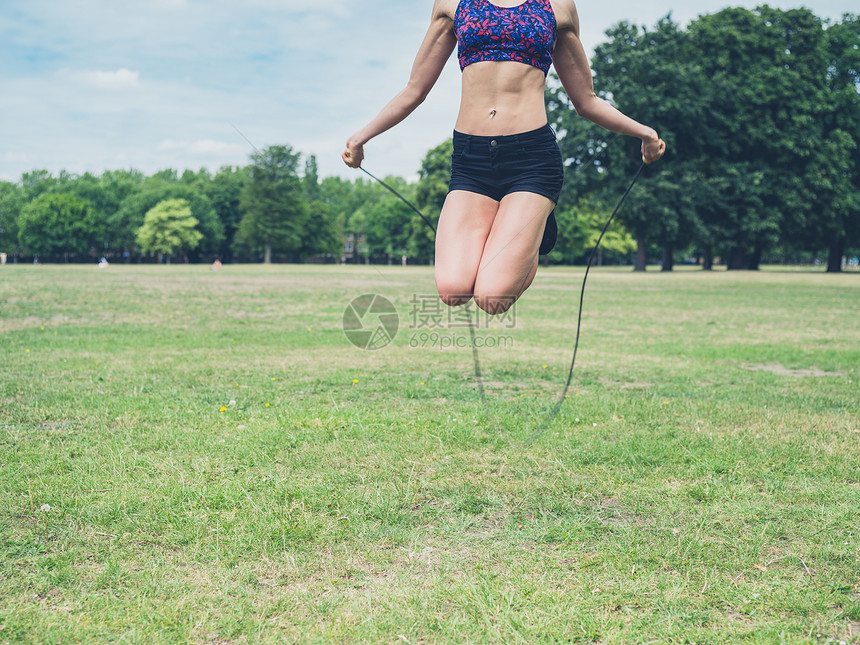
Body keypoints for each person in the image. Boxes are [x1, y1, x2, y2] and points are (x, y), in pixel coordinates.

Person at [343, 0, 665, 314]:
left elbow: (587, 101)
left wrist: (645, 133)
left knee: (492, 298)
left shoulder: (557, 7)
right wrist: (361, 137)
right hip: (471, 161)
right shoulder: (452, 4)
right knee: (452, 291)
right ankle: (523, 228)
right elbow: (415, 89)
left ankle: (534, 226)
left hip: (532, 161)